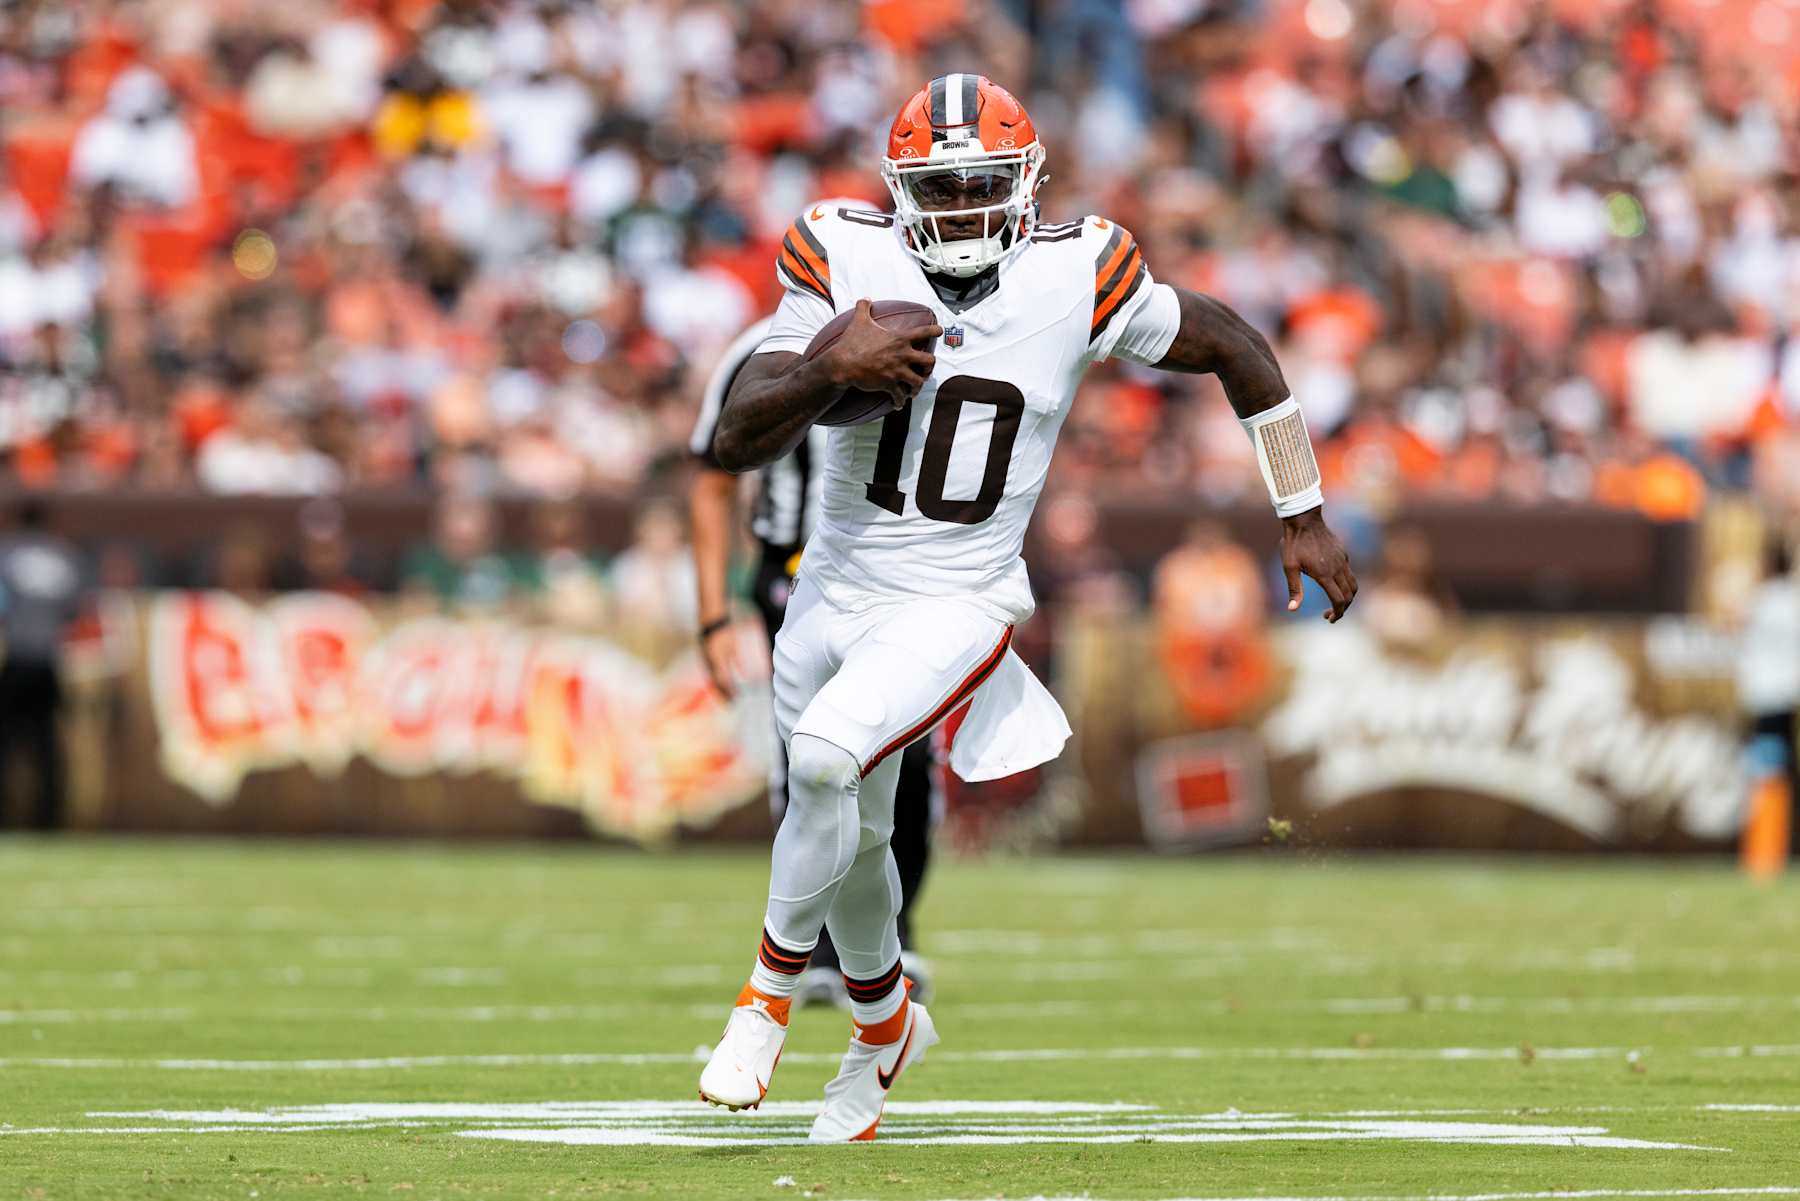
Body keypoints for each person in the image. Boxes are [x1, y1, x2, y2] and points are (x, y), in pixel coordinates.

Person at [696, 75, 1357, 1141]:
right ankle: (884, 1029)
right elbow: (735, 438)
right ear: (899, 191)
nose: (962, 208)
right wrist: (830, 369)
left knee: (820, 763)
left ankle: (763, 1002)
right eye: (940, 188)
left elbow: (1236, 344)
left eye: (982, 185)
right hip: (831, 588)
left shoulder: (1076, 270)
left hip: (959, 595)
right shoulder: (842, 253)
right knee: (856, 835)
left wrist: (1303, 509)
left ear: (1026, 183)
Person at [689, 316, 938, 1011]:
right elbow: (712, 475)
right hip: (796, 572)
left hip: (908, 573)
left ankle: (894, 931)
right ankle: (818, 945)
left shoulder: (928, 328)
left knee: (909, 755)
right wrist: (713, 615)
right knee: (807, 756)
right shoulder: (756, 348)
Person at [0, 500, 89, 829]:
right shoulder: (65, 556)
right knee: (46, 743)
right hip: (49, 661)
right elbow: (75, 610)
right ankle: (49, 818)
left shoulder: (7, 553)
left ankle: (5, 815)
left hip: (16, 657)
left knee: (6, 742)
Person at [1737, 533, 1800, 853]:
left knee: (1765, 768)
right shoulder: (1793, 600)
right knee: (1782, 768)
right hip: (1788, 693)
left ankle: (1764, 845)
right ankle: (1780, 842)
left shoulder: (1759, 599)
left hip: (1761, 694)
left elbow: (1737, 629)